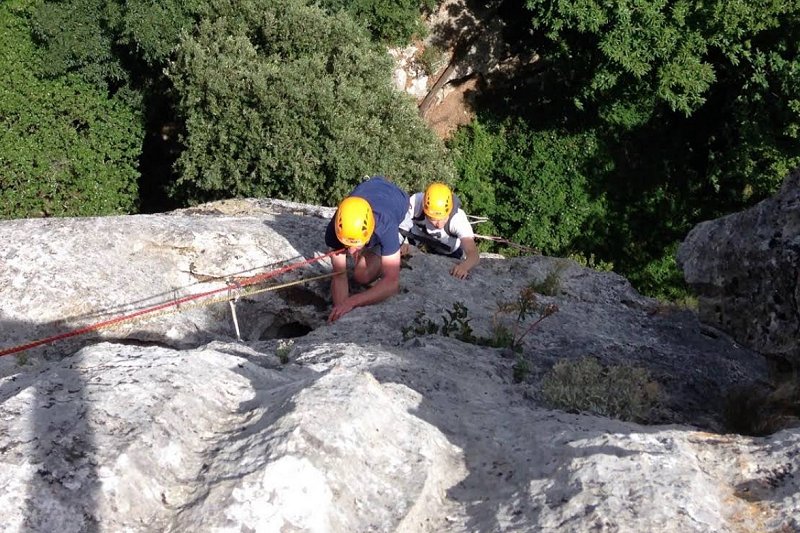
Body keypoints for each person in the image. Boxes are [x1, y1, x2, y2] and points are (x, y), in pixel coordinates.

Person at [325, 176, 409, 323]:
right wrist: (340, 312)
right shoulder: (335, 230)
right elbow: (339, 275)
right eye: (347, 245)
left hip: (397, 201)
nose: (350, 252)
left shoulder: (385, 225)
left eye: (356, 245)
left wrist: (353, 301)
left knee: (363, 275)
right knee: (359, 274)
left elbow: (392, 283)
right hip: (371, 190)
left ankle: (399, 241)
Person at [399, 182, 480, 279]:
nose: (438, 224)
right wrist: (399, 244)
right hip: (419, 241)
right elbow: (400, 223)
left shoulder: (457, 219)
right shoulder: (417, 203)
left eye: (442, 218)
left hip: (449, 252)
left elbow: (473, 253)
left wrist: (464, 267)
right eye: (433, 218)